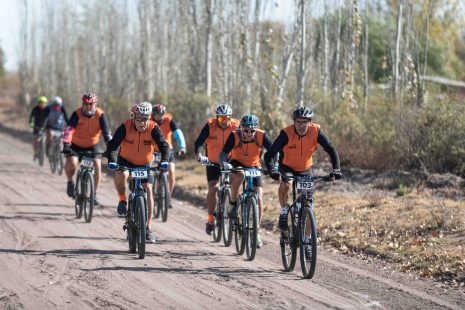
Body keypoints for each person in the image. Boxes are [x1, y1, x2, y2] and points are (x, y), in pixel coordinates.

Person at [264, 106, 342, 233]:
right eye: (298, 122)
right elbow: (269, 154)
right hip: (287, 166)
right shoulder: (286, 133)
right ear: (294, 121)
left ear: (309, 122)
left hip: (305, 168)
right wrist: (273, 170)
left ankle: (307, 240)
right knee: (286, 184)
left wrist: (336, 169)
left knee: (308, 204)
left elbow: (331, 149)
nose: (301, 125)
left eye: (304, 122)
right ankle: (284, 211)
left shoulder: (316, 131)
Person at [106, 102, 170, 243]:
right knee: (122, 174)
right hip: (125, 161)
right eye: (139, 118)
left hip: (145, 163)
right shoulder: (125, 126)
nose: (142, 122)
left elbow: (164, 145)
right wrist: (112, 159)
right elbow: (113, 145)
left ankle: (148, 228)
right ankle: (122, 199)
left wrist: (164, 160)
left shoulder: (153, 127)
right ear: (133, 117)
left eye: (145, 118)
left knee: (148, 189)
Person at [218, 114, 272, 248]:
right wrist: (224, 163)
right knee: (240, 175)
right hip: (237, 163)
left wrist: (274, 165)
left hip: (254, 165)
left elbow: (273, 151)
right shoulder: (234, 135)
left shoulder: (261, 135)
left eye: (252, 130)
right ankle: (233, 201)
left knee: (259, 197)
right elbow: (223, 153)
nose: (249, 133)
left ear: (256, 129)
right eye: (246, 130)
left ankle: (256, 231)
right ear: (241, 128)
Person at [194, 103, 240, 235]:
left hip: (231, 161)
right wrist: (199, 156)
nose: (224, 122)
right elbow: (198, 143)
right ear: (217, 118)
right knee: (213, 188)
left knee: (235, 183)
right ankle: (210, 219)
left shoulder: (236, 125)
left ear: (231, 118)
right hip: (213, 161)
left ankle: (232, 207)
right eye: (221, 119)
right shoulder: (210, 125)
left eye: (227, 118)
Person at [63, 93, 112, 205]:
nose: (88, 106)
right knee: (72, 162)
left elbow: (107, 133)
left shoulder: (100, 115)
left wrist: (111, 147)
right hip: (76, 144)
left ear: (95, 104)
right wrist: (66, 143)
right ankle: (70, 182)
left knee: (97, 165)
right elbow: (69, 130)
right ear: (83, 104)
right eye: (85, 104)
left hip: (92, 144)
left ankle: (94, 194)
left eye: (91, 104)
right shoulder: (77, 114)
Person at [151, 104, 186, 208]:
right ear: (153, 115)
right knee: (149, 169)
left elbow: (178, 133)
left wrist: (182, 146)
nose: (159, 117)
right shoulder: (149, 122)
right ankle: (150, 192)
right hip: (153, 150)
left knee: (171, 170)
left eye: (161, 115)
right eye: (156, 115)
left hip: (167, 150)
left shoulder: (169, 121)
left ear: (164, 114)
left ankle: (168, 197)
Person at [29, 96, 49, 160]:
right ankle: (35, 152)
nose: (42, 104)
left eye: (43, 103)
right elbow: (31, 116)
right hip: (37, 126)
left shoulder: (48, 109)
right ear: (38, 103)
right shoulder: (35, 109)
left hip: (46, 126)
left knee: (49, 138)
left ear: (46, 103)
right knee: (36, 140)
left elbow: (51, 117)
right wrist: (31, 123)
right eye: (40, 103)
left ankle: (49, 151)